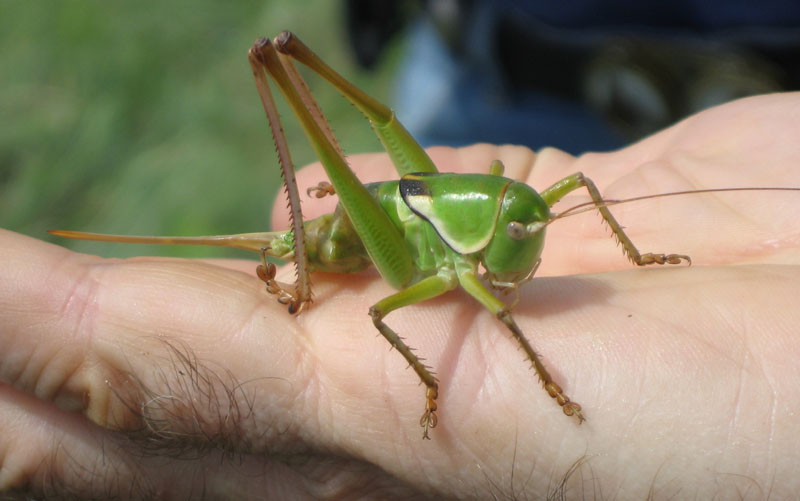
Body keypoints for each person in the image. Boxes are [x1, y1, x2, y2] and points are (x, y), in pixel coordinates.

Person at [1, 94, 799, 498]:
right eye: (519, 234)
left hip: (429, 195)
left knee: (566, 184)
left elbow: (569, 184)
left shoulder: (518, 202)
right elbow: (392, 308)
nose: (532, 239)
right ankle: (300, 261)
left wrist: (636, 253)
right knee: (390, 237)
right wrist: (474, 380)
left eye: (528, 231)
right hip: (369, 241)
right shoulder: (451, 269)